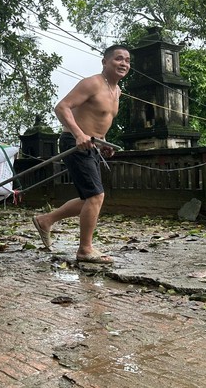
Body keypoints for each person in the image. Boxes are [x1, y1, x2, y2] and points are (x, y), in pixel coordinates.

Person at [32, 45, 131, 264]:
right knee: (96, 196)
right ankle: (85, 249)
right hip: (74, 142)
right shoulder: (93, 83)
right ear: (105, 62)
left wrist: (104, 143)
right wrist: (78, 134)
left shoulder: (117, 91)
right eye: (118, 59)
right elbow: (62, 107)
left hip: (93, 146)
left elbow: (100, 120)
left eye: (127, 60)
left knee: (89, 198)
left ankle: (45, 220)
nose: (123, 63)